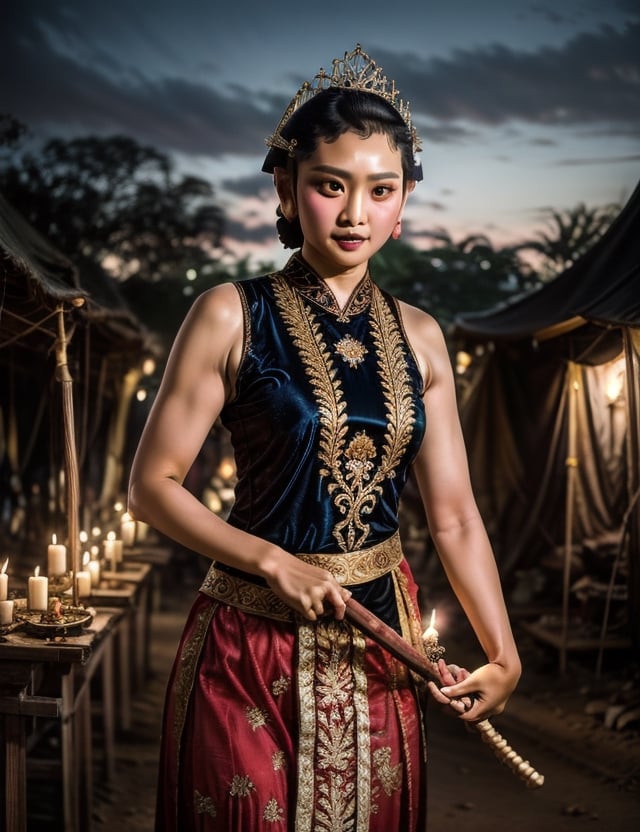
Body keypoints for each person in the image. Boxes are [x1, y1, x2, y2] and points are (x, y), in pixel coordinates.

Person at [128, 44, 521, 831]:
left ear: (403, 200)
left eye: (380, 191)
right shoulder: (229, 314)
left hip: (382, 647)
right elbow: (152, 486)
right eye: (329, 186)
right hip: (246, 646)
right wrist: (271, 560)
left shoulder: (422, 337)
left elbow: (453, 518)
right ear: (286, 185)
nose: (353, 214)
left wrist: (503, 655)